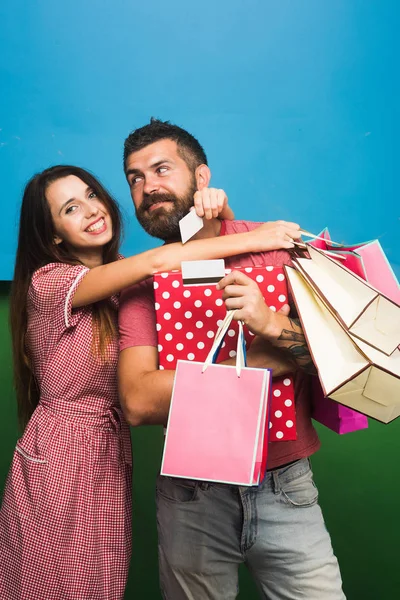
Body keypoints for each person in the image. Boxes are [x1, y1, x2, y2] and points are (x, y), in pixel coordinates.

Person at [0, 164, 298, 600]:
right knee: (52, 586)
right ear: (54, 236)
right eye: (70, 208)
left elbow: (188, 259)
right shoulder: (51, 282)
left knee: (99, 585)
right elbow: (160, 260)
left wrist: (218, 210)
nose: (91, 210)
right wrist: (261, 235)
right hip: (60, 455)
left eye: (92, 195)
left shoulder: (124, 274)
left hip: (107, 455)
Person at [118, 119, 346, 599]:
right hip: (190, 494)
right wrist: (266, 362)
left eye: (161, 169)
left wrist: (271, 327)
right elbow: (138, 400)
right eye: (135, 178)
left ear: (203, 179)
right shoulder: (142, 284)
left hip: (285, 483)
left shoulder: (271, 244)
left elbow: (342, 360)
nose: (147, 187)